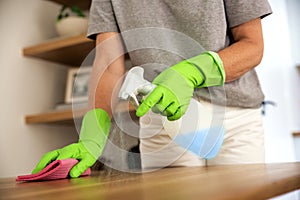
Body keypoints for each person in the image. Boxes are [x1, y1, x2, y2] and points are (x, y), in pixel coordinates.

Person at [32, 0, 272, 177]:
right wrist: (91, 137)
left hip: (235, 119)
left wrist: (189, 73)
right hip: (162, 122)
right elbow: (107, 64)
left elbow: (252, 45)